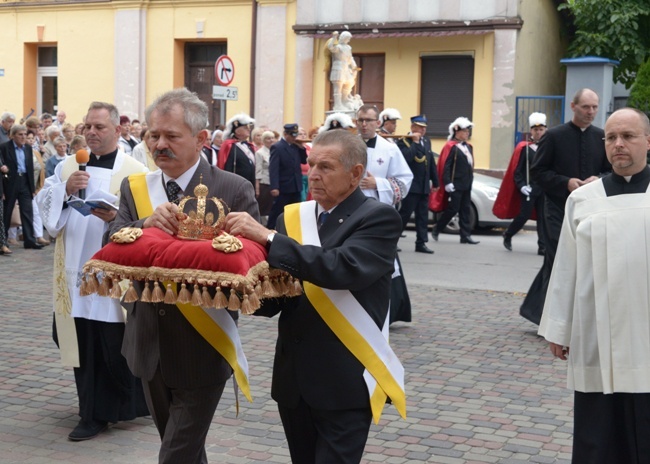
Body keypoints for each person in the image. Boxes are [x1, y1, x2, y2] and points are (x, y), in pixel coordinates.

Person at [225, 129, 406, 463]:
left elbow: (340, 268)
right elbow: (282, 293)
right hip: (295, 380)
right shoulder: (293, 217)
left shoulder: (377, 217)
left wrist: (267, 238)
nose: (315, 174)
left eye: (326, 167)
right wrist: (238, 289)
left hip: (344, 380)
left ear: (355, 174)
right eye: (311, 164)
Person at [109, 88, 259, 463]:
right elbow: (109, 245)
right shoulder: (135, 187)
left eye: (172, 136)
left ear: (201, 139)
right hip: (147, 341)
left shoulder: (233, 188)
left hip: (202, 343)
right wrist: (145, 224)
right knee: (183, 449)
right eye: (153, 135)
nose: (160, 144)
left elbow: (251, 264)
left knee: (175, 454)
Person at [539, 107, 650, 463]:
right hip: (596, 337)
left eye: (629, 136)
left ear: (648, 141)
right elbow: (566, 267)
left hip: (646, 334)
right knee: (598, 439)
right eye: (611, 137)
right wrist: (560, 327)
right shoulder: (583, 200)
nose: (619, 144)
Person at [36, 101, 149, 441]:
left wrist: (117, 219)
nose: (91, 133)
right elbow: (47, 206)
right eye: (88, 126)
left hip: (113, 271)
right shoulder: (68, 165)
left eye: (100, 127)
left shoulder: (134, 169)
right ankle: (92, 412)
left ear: (117, 130)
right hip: (73, 269)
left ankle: (119, 405)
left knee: (112, 344)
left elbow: (147, 218)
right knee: (80, 340)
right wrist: (65, 190)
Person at [521, 88, 611, 325]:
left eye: (594, 107)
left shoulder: (601, 136)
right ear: (573, 106)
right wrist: (566, 182)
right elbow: (538, 171)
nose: (591, 112)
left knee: (576, 263)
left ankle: (536, 311)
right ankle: (553, 319)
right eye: (585, 107)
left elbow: (609, 170)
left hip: (589, 211)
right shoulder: (554, 136)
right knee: (557, 260)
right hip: (557, 209)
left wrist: (599, 178)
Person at [357, 104, 413, 323]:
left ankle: (389, 311)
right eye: (360, 120)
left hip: (377, 212)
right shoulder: (346, 145)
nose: (364, 124)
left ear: (377, 123)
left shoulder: (389, 149)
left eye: (368, 120)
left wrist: (377, 183)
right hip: (350, 212)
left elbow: (404, 181)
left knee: (383, 261)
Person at [495, 112, 548, 254]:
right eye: (535, 130)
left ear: (545, 130)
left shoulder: (548, 147)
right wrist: (522, 186)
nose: (538, 132)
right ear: (531, 131)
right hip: (529, 189)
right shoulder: (525, 148)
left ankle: (542, 246)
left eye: (541, 130)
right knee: (523, 216)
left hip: (543, 189)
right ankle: (508, 234)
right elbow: (517, 171)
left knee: (543, 218)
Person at [430, 116, 479, 245]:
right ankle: (437, 228)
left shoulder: (468, 147)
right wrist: (447, 182)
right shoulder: (451, 147)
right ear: (457, 132)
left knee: (465, 210)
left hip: (466, 183)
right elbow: (446, 165)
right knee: (453, 209)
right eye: (464, 131)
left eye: (468, 132)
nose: (467, 134)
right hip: (455, 183)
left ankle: (465, 236)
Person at [397, 115, 439, 253]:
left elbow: (431, 162)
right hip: (411, 186)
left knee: (423, 217)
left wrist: (436, 181)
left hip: (423, 186)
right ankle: (392, 241)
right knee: (404, 215)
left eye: (424, 128)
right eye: (420, 127)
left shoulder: (426, 141)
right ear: (412, 127)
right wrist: (414, 143)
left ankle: (421, 243)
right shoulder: (404, 141)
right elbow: (406, 159)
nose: (422, 130)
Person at [1, 124, 42, 249]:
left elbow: (30, 168)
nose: (23, 137)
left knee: (27, 211)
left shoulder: (28, 148)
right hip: (10, 182)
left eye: (25, 134)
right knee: (7, 212)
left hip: (24, 181)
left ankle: (29, 240)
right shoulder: (4, 147)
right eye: (20, 134)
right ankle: (4, 241)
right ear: (13, 136)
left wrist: (32, 188)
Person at [266, 123, 307, 229]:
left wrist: (301, 148)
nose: (294, 137)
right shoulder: (277, 147)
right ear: (285, 134)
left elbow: (303, 161)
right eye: (292, 135)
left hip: (295, 185)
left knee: (295, 211)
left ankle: (292, 229)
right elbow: (273, 168)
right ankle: (270, 228)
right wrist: (274, 186)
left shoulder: (296, 147)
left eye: (295, 135)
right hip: (284, 185)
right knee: (277, 210)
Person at [217, 113, 256, 186]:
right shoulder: (230, 146)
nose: (249, 129)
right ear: (237, 131)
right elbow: (226, 167)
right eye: (245, 128)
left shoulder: (249, 146)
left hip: (250, 184)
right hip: (236, 184)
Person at [327, 30, 360, 111]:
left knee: (350, 82)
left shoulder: (348, 47)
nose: (349, 40)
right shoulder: (338, 47)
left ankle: (344, 99)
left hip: (346, 68)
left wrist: (354, 66)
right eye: (347, 38)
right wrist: (334, 37)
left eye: (349, 38)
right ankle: (337, 105)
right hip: (338, 67)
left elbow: (350, 58)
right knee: (338, 86)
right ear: (343, 38)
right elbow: (331, 47)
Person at [255, 130, 275, 221]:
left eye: (272, 138)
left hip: (274, 182)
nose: (271, 140)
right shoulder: (260, 153)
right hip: (264, 182)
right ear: (263, 140)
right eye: (268, 138)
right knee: (264, 207)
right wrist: (257, 187)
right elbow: (258, 170)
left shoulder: (275, 151)